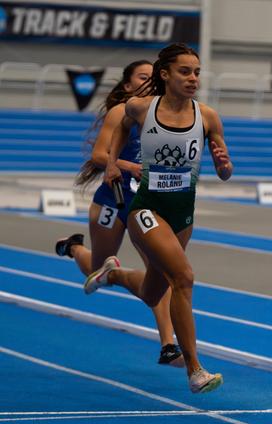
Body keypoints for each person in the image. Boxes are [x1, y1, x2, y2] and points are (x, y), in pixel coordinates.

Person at [91, 43, 233, 394]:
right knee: (183, 277)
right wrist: (113, 163)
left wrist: (224, 164)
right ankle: (195, 369)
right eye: (185, 71)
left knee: (154, 291)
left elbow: (225, 171)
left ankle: (114, 273)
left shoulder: (208, 116)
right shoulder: (141, 107)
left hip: (182, 213)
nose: (193, 78)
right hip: (146, 209)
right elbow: (121, 128)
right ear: (165, 74)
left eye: (197, 72)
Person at [55, 60, 183, 367]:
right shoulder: (120, 112)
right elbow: (100, 156)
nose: (149, 81)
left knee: (160, 272)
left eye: (154, 76)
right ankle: (74, 248)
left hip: (145, 204)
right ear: (128, 85)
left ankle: (168, 345)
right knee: (95, 269)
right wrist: (129, 166)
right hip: (112, 201)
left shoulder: (165, 114)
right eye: (142, 76)